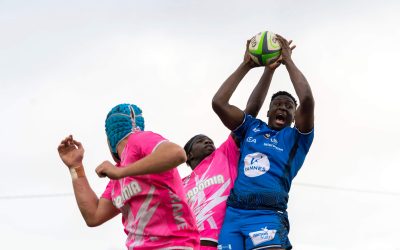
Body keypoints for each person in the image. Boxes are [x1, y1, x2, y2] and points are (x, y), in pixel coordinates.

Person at [212, 35, 314, 250]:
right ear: (268, 111)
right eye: (278, 104)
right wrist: (247, 65)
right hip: (234, 215)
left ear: (295, 117)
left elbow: (306, 100)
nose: (283, 108)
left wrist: (288, 61)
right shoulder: (252, 128)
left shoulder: (297, 138)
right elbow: (219, 103)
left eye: (288, 107)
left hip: (267, 215)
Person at [182, 40, 282, 249]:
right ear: (188, 155)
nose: (208, 141)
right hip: (192, 243)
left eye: (208, 139)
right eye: (200, 141)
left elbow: (250, 111)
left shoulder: (224, 153)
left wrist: (267, 72)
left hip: (226, 238)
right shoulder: (181, 184)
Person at [57, 103, 199, 249]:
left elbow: (177, 154)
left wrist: (120, 172)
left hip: (174, 245)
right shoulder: (117, 176)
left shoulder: (139, 140)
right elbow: (94, 216)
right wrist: (76, 167)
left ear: (109, 139)